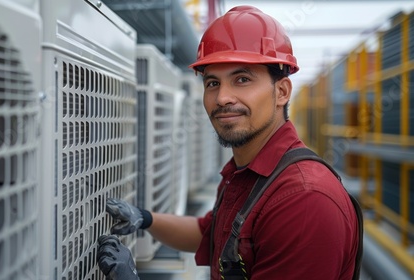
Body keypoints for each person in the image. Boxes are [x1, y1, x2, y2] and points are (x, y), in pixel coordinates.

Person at [97, 5, 362, 280]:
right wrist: (144, 218)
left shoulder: (304, 201)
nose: (223, 97)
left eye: (242, 79)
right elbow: (209, 234)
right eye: (212, 83)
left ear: (281, 91)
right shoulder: (246, 173)